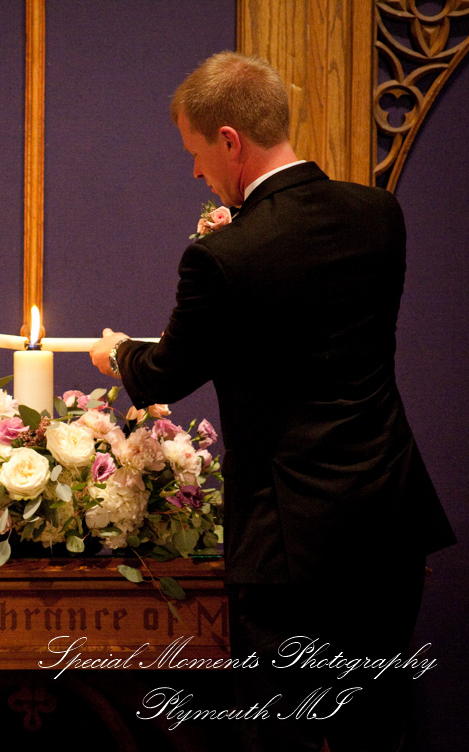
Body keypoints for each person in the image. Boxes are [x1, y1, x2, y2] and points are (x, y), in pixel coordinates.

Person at [91, 52, 455, 751]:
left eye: (195, 152)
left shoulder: (224, 255)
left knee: (278, 734)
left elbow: (164, 373)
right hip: (388, 521)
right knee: (377, 729)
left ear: (230, 141)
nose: (194, 171)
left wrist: (118, 354)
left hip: (289, 544)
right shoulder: (380, 215)